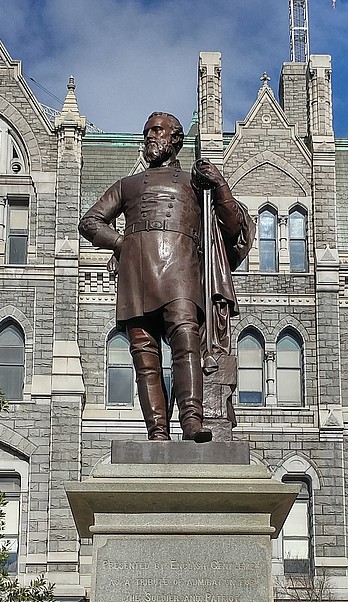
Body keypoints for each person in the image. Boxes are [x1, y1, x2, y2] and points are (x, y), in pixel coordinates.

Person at [78, 111, 254, 442]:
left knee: (186, 343)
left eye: (157, 131)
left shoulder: (196, 184)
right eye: (147, 131)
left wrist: (221, 186)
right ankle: (157, 431)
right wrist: (124, 244)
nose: (149, 137)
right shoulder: (127, 185)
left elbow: (233, 227)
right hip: (136, 276)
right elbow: (90, 222)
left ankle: (191, 420)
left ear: (175, 139)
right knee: (144, 355)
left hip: (181, 273)